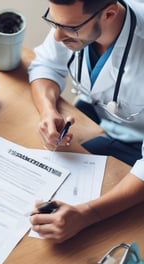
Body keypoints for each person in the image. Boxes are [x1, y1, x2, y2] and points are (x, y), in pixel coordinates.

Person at [28, 0, 144, 243]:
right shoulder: (72, 22)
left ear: (109, 14)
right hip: (96, 117)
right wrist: (47, 111)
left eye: (70, 28)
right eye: (54, 21)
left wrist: (86, 214)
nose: (58, 36)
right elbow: (45, 66)